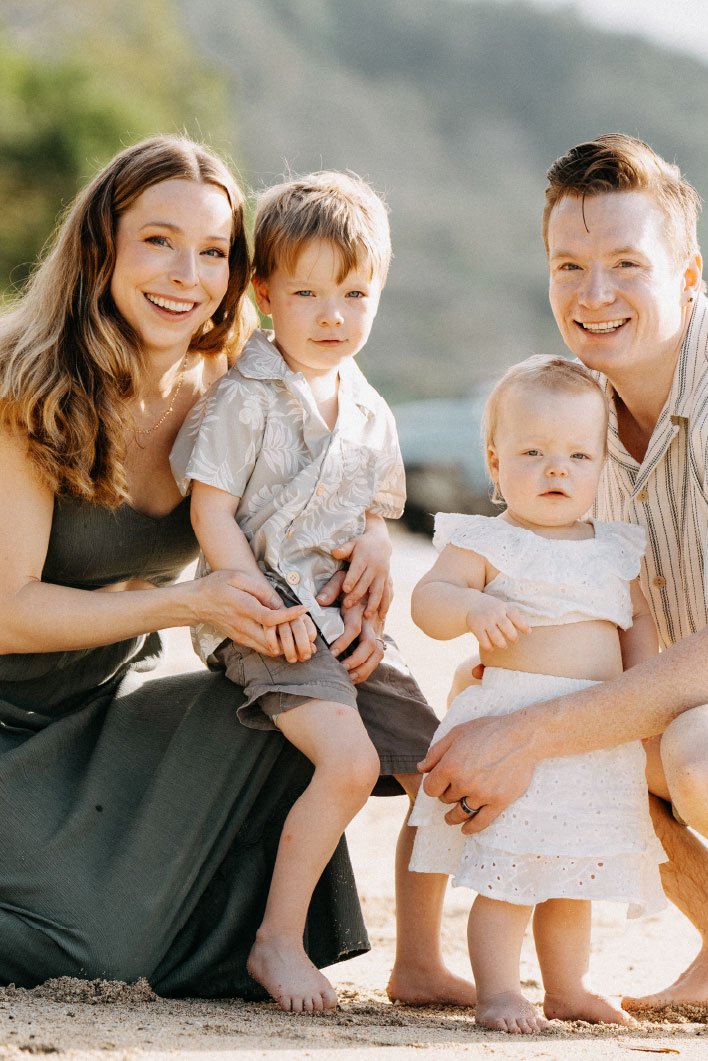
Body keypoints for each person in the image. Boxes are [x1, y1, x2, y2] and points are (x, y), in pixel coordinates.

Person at [418, 133, 708, 1037]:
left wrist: (525, 733)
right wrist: (507, 696)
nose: (593, 294)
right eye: (569, 266)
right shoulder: (579, 405)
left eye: (626, 264)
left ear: (688, 274)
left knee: (703, 749)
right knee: (513, 691)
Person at [0, 136, 390, 998]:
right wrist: (193, 602)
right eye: (158, 240)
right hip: (6, 714)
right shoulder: (25, 384)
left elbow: (319, 488)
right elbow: (9, 612)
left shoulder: (232, 387)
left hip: (95, 706)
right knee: (101, 950)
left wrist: (366, 554)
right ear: (101, 246)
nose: (187, 274)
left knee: (294, 706)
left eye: (213, 251)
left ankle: (261, 939)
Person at [170, 171, 475, 1014]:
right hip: (263, 614)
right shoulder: (245, 397)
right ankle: (278, 938)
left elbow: (373, 511)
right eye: (307, 293)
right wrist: (254, 600)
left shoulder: (369, 407)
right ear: (265, 295)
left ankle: (419, 959)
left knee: (440, 772)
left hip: (343, 619)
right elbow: (211, 510)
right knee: (350, 762)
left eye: (354, 293)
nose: (332, 314)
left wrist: (375, 543)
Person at [409, 355, 665, 1034]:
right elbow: (428, 601)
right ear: (494, 463)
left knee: (572, 873)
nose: (557, 470)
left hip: (592, 734)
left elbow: (638, 622)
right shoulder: (488, 541)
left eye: (578, 455)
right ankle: (498, 990)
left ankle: (567, 987)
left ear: (601, 465)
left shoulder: (616, 546)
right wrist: (470, 607)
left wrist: (644, 696)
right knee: (510, 870)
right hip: (510, 724)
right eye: (533, 453)